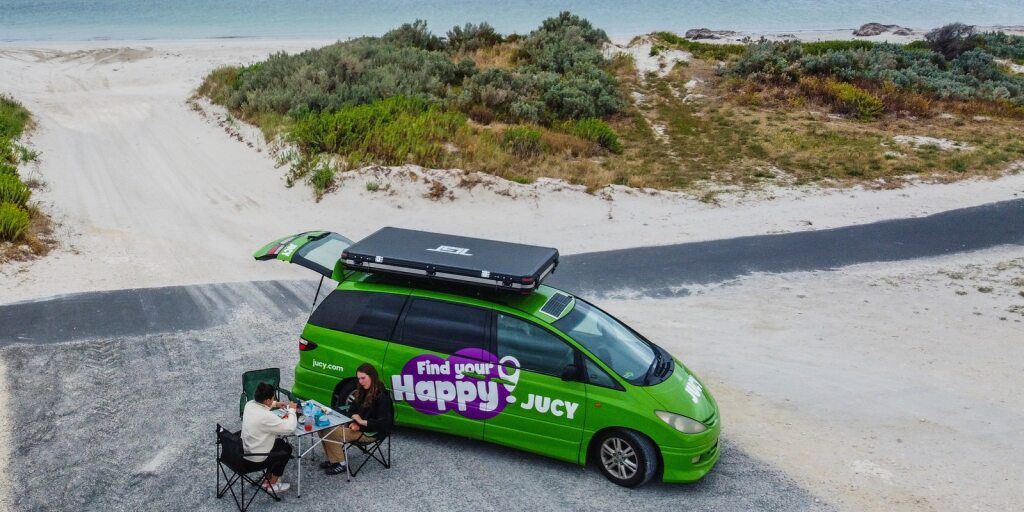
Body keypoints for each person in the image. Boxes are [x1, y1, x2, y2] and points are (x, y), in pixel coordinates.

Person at [318, 363, 394, 475]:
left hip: (371, 433)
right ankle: (333, 459)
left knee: (330, 431)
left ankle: (341, 464)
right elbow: (351, 410)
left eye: (363, 378)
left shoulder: (382, 397)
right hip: (358, 427)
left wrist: (362, 422)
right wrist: (353, 422)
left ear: (372, 377)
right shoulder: (362, 391)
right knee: (323, 426)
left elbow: (385, 423)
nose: (361, 382)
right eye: (359, 379)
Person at [241, 382, 296, 493]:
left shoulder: (249, 405)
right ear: (267, 400)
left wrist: (275, 404)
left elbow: (263, 405)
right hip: (256, 459)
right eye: (272, 398)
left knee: (280, 443)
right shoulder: (266, 416)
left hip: (245, 451)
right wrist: (292, 410)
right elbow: (290, 428)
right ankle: (272, 484)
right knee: (286, 449)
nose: (272, 400)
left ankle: (267, 478)